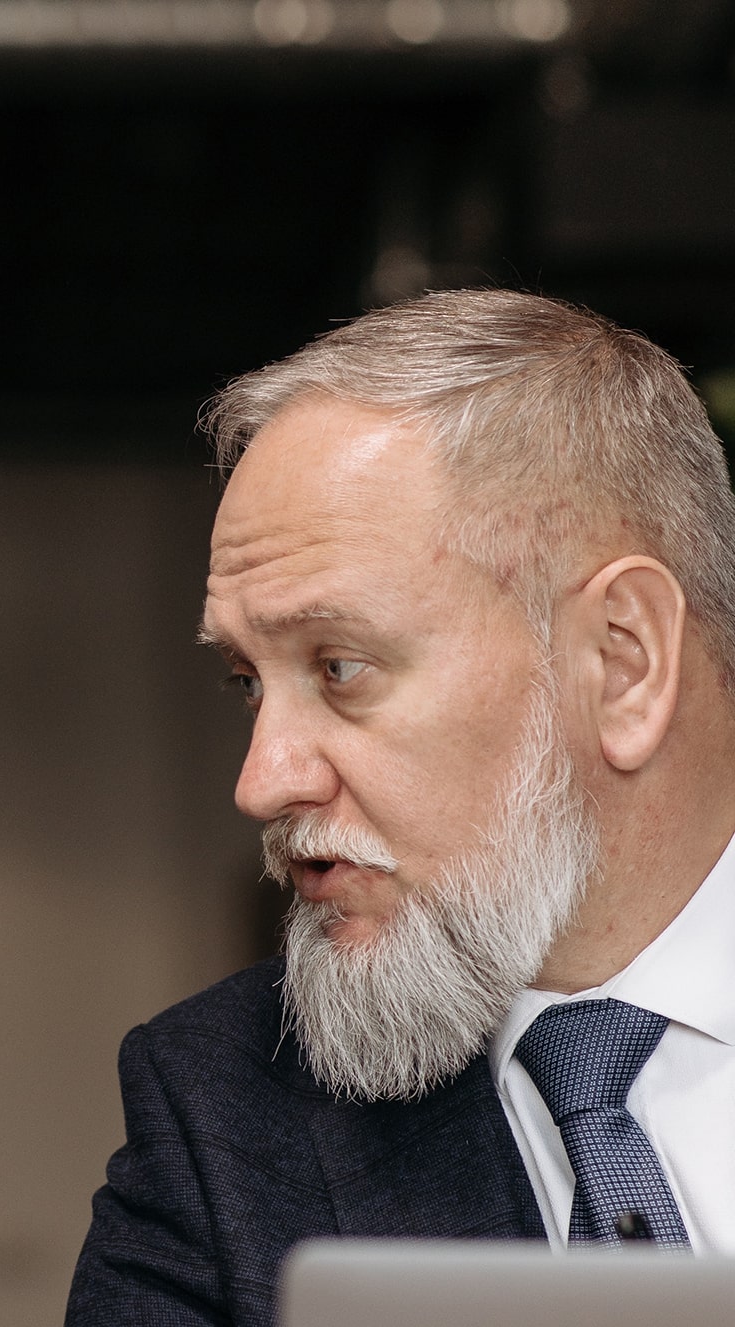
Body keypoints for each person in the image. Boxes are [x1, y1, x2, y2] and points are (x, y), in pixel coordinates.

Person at [67, 290, 735, 1325]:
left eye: (339, 666)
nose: (261, 779)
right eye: (249, 681)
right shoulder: (219, 1117)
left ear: (623, 661)